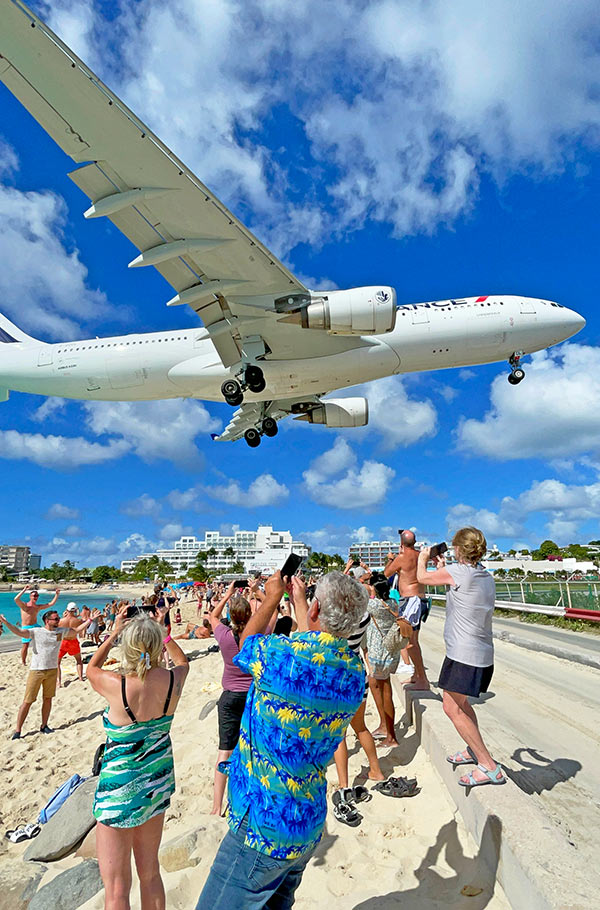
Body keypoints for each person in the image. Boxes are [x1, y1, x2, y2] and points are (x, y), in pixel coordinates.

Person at [196, 570, 366, 910]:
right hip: (306, 821)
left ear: (316, 610)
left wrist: (273, 597)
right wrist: (303, 603)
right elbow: (317, 649)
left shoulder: (280, 656)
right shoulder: (353, 674)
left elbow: (245, 646)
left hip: (263, 823)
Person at [87, 604, 189, 910]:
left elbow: (91, 668)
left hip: (120, 788)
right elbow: (183, 662)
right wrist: (163, 632)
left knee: (117, 889)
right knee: (150, 873)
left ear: (127, 647)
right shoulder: (172, 681)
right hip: (155, 784)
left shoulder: (117, 685)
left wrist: (113, 633)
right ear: (158, 646)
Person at [416, 526, 506, 788]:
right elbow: (461, 589)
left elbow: (421, 578)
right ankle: (473, 749)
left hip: (464, 654)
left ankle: (489, 767)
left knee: (451, 707)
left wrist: (423, 558)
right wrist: (442, 567)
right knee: (462, 704)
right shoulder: (485, 576)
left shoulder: (457, 572)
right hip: (481, 653)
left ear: (458, 548)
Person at [2, 608, 99, 738]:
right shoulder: (36, 631)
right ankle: (18, 730)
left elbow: (76, 630)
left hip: (52, 670)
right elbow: (19, 632)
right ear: (47, 621)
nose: (58, 620)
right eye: (56, 619)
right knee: (28, 701)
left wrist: (90, 620)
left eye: (58, 618)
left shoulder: (60, 631)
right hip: (37, 671)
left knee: (48, 699)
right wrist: (6, 622)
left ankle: (44, 725)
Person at [331, 597, 385, 826]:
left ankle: (344, 785)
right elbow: (363, 646)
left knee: (339, 734)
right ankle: (376, 771)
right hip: (357, 671)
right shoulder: (363, 616)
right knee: (361, 727)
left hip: (338, 673)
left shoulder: (335, 618)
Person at [207, 581, 253, 816]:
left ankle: (217, 806)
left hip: (230, 696)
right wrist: (256, 592)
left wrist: (227, 594)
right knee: (250, 749)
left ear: (231, 616)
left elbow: (212, 616)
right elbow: (273, 612)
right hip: (252, 695)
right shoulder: (255, 635)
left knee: (225, 751)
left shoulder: (224, 635)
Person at [384, 530, 430, 690]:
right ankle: (417, 675)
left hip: (410, 601)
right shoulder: (420, 556)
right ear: (415, 542)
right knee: (412, 640)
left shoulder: (402, 558)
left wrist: (391, 559)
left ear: (401, 543)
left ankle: (423, 679)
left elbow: (386, 574)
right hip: (420, 599)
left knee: (410, 643)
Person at [365, 576, 401, 747]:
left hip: (378, 655)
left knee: (386, 692)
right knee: (385, 689)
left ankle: (391, 736)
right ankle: (386, 728)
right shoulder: (392, 603)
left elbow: (363, 599)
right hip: (391, 652)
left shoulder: (374, 605)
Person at [13, 584, 60, 666]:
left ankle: (46, 655)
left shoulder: (37, 607)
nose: (35, 597)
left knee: (47, 635)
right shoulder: (24, 605)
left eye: (37, 596)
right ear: (30, 596)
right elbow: (16, 599)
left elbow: (51, 604)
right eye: (34, 595)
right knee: (25, 645)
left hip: (35, 626)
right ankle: (23, 661)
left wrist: (57, 594)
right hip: (26, 627)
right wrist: (24, 589)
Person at [57, 603, 85, 686]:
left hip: (63, 642)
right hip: (73, 641)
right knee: (78, 660)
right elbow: (81, 631)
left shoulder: (60, 621)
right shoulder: (78, 621)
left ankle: (59, 682)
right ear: (75, 610)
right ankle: (80, 678)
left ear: (66, 610)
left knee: (57, 663)